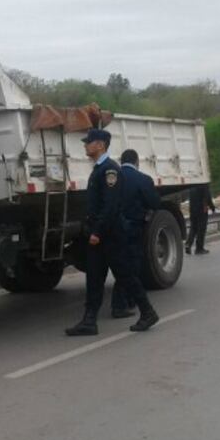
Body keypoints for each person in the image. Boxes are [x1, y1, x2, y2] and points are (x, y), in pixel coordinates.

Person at [65, 129, 159, 336]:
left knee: (125, 275)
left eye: (88, 142)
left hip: (110, 235)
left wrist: (97, 232)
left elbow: (111, 206)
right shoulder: (99, 169)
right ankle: (89, 321)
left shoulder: (110, 170)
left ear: (100, 145)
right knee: (95, 278)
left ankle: (148, 312)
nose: (85, 145)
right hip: (102, 235)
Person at [111, 148, 162, 318]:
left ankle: (126, 301)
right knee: (131, 266)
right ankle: (121, 304)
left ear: (121, 161)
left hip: (114, 227)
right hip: (133, 228)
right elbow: (154, 203)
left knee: (121, 264)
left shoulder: (112, 178)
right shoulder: (143, 179)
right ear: (137, 162)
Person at [185, 183, 216, 255]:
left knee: (193, 228)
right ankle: (199, 248)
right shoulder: (204, 184)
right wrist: (212, 208)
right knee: (201, 229)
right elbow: (207, 197)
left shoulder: (192, 185)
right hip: (202, 209)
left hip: (192, 210)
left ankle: (188, 244)